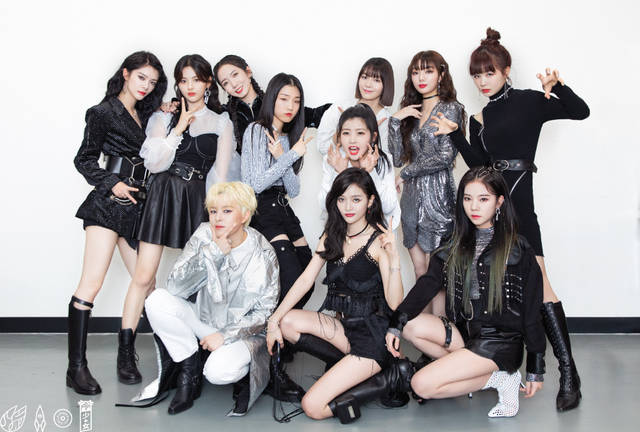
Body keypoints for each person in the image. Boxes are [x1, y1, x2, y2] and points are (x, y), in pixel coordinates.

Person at [430, 28, 589, 412]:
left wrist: (558, 87)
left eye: (489, 73)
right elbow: (479, 168)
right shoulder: (478, 117)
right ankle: (497, 362)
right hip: (493, 210)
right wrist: (456, 136)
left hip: (522, 206)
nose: (483, 81)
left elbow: (580, 111)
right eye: (477, 75)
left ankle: (568, 373)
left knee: (541, 285)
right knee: (499, 285)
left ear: (506, 70)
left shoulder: (531, 101)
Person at [386, 167, 546, 418]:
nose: (474, 207)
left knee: (421, 385)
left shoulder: (517, 248)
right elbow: (428, 284)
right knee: (410, 326)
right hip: (465, 333)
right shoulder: (454, 242)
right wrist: (396, 324)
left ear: (499, 202)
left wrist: (536, 366)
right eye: (468, 198)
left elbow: (532, 309)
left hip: (499, 343)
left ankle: (500, 378)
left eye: (483, 199)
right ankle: (482, 372)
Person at [118, 54, 235, 383]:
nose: (190, 86)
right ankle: (125, 352)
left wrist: (219, 220)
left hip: (197, 200)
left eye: (196, 79)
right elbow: (154, 163)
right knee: (144, 277)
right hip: (163, 195)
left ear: (207, 82)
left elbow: (221, 175)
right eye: (183, 80)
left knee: (199, 281)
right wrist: (179, 128)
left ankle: (190, 355)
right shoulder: (163, 117)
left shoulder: (221, 123)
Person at [121, 182, 278, 416]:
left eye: (227, 211)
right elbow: (175, 286)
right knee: (156, 300)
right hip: (205, 322)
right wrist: (213, 252)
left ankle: (236, 372)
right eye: (213, 211)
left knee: (217, 372)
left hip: (242, 334)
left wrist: (224, 336)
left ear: (245, 215)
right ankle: (189, 367)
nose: (217, 218)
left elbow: (264, 313)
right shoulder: (204, 233)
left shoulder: (262, 252)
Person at [266, 168, 404, 422]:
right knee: (287, 321)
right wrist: (273, 321)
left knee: (313, 406)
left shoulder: (378, 241)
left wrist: (394, 259)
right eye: (342, 199)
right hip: (346, 330)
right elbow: (306, 280)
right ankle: (351, 367)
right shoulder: (332, 236)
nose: (348, 207)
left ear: (370, 201)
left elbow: (395, 303)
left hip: (372, 338)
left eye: (356, 199)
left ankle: (387, 378)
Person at [68, 51, 166, 395]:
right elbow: (84, 159)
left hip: (138, 206)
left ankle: (127, 357)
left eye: (152, 82)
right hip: (108, 205)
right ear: (126, 73)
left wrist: (166, 111)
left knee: (147, 282)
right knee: (91, 283)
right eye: (141, 77)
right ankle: (76, 368)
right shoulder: (103, 112)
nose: (146, 86)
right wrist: (112, 183)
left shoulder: (147, 114)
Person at [388, 50, 466, 316]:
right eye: (416, 72)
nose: (421, 77)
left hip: (439, 198)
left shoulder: (451, 108)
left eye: (428, 71)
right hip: (411, 200)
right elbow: (398, 158)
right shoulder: (412, 111)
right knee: (420, 273)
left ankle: (441, 333)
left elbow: (445, 157)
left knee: (437, 277)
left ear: (441, 75)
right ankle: (422, 336)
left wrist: (407, 173)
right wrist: (395, 122)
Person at [213, 54, 330, 154]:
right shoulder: (224, 115)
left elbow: (317, 114)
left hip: (282, 170)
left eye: (235, 75)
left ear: (248, 72)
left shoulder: (277, 103)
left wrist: (339, 110)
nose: (233, 84)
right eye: (226, 83)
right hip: (243, 174)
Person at [318, 104, 400, 229]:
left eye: (360, 133)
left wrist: (370, 172)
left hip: (378, 231)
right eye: (346, 133)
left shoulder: (383, 160)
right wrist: (339, 173)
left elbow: (387, 207)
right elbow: (324, 205)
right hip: (343, 231)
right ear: (339, 136)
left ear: (373, 137)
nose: (352, 140)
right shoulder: (333, 159)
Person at [316, 57, 394, 155]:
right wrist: (341, 132)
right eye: (364, 77)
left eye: (376, 80)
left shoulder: (386, 120)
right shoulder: (339, 108)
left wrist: (371, 135)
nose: (368, 84)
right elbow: (322, 148)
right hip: (336, 165)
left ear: (386, 85)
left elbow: (386, 160)